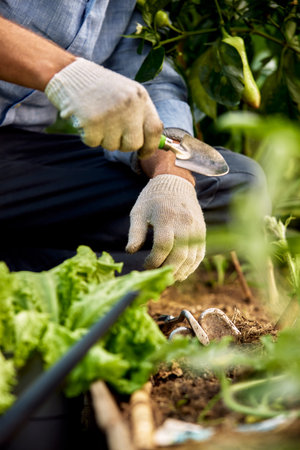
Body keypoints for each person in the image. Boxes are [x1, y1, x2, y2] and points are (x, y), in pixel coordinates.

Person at [0, 1, 270, 281]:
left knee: (238, 190)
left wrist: (170, 172)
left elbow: (149, 81)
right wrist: (62, 71)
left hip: (16, 163)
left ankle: (18, 278)